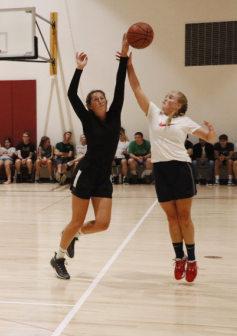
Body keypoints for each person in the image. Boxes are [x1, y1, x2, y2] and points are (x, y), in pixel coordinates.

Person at [127, 51, 218, 283]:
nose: (165, 98)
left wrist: (211, 131)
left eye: (170, 97)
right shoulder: (153, 113)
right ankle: (178, 258)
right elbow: (137, 88)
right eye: (165, 96)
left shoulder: (185, 121)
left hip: (181, 169)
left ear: (179, 105)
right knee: (171, 219)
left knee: (184, 217)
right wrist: (129, 66)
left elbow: (209, 138)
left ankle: (192, 259)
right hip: (161, 169)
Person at [50, 35, 128, 280]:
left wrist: (124, 57)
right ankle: (58, 257)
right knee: (77, 220)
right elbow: (71, 94)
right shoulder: (87, 119)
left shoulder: (114, 114)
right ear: (90, 105)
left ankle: (74, 236)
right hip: (86, 172)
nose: (101, 99)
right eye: (95, 99)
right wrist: (78, 70)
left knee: (103, 223)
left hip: (103, 175)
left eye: (102, 97)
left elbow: (119, 85)